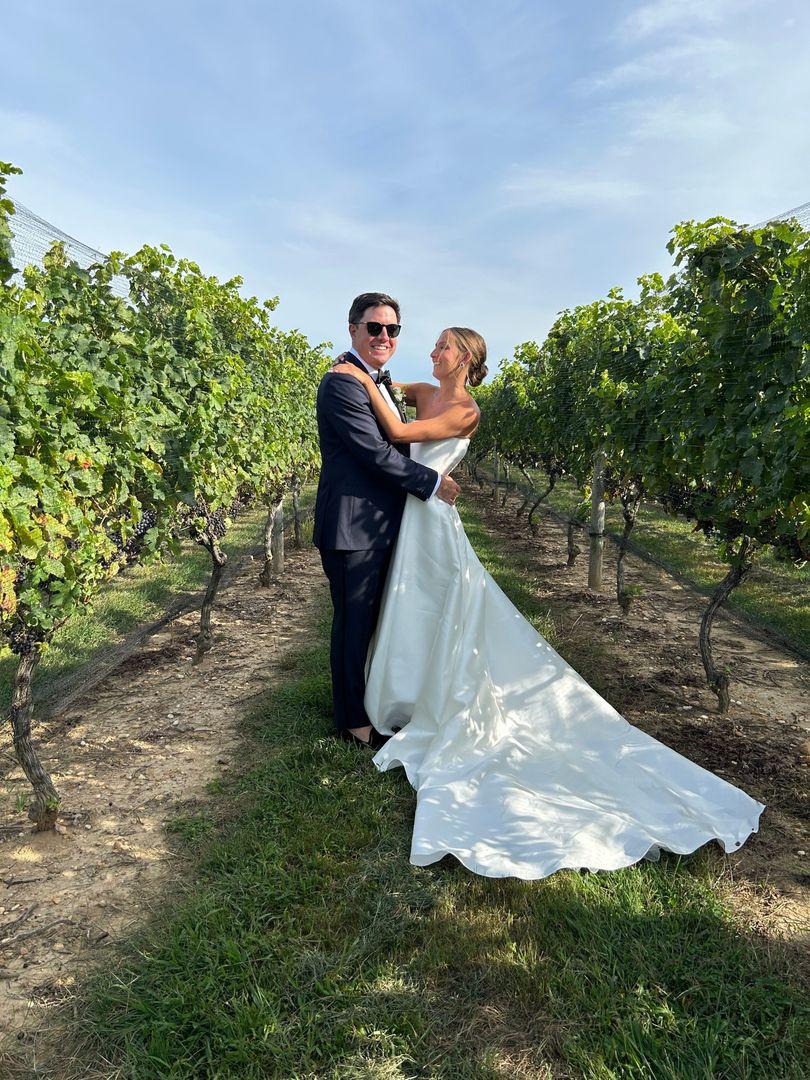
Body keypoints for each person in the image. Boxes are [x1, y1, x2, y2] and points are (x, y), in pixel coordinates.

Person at [331, 327, 764, 880]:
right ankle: (404, 693)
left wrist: (355, 374)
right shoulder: (422, 389)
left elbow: (393, 426)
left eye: (443, 345)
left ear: (464, 357)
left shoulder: (464, 409)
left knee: (437, 606)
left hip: (433, 519)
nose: (432, 351)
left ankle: (432, 698)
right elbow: (390, 396)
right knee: (411, 607)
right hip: (412, 510)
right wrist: (370, 376)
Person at [314, 293, 460, 750]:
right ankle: (353, 723)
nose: (383, 336)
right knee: (354, 622)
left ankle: (369, 701)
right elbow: (374, 453)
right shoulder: (342, 383)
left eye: (391, 330)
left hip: (381, 523)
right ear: (353, 329)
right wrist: (433, 484)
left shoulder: (375, 383)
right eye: (374, 327)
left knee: (375, 620)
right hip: (353, 524)